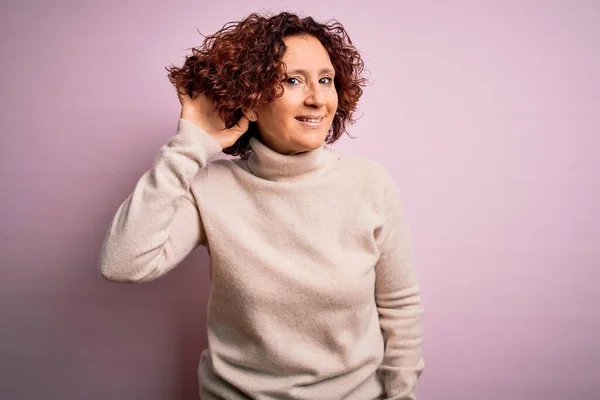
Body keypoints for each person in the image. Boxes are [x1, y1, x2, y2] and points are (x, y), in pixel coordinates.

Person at [99, 11, 424, 400]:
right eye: (292, 80)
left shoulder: (370, 183)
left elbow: (400, 307)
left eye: (325, 79)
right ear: (251, 98)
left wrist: (400, 395)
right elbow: (122, 263)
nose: (318, 98)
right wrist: (188, 146)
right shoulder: (211, 188)